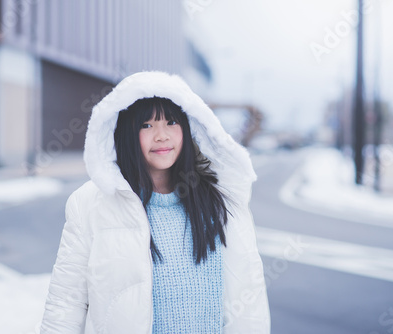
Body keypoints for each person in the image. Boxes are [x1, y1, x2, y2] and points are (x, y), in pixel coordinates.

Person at [40, 71, 270, 333]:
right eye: (147, 125)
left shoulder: (220, 202)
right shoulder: (91, 203)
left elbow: (250, 301)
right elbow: (65, 303)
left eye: (171, 122)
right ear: (126, 132)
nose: (162, 135)